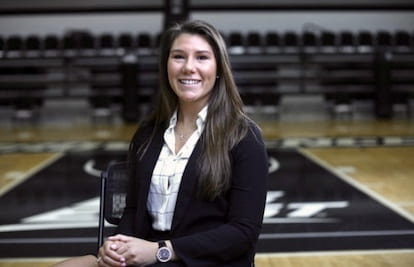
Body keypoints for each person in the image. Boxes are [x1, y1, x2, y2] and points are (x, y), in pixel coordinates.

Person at [53, 19, 268, 267]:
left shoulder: (243, 136)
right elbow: (133, 212)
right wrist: (115, 246)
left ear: (218, 68)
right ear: (166, 65)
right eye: (178, 56)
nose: (189, 67)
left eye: (201, 57)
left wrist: (161, 250)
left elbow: (243, 233)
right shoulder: (148, 134)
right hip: (147, 258)